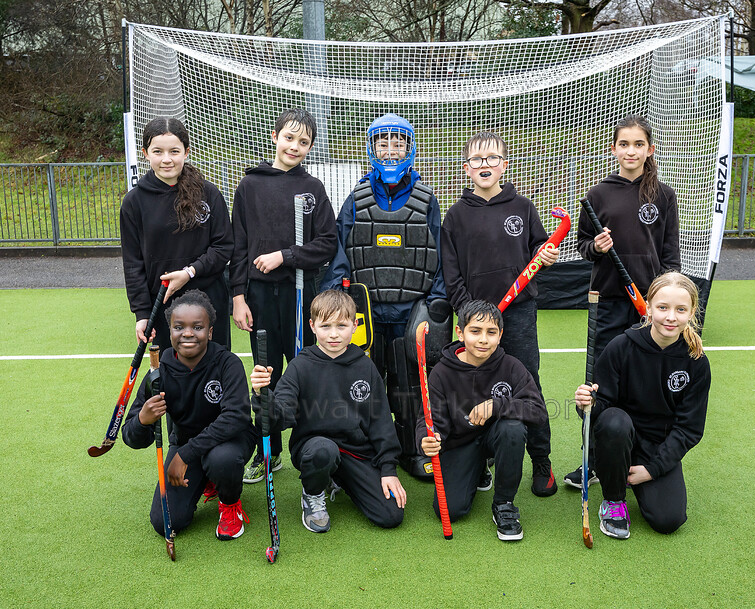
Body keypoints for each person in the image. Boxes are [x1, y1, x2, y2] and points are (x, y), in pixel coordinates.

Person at [321, 113, 450, 479]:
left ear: (410, 147)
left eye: (398, 143)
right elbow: (342, 249)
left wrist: (438, 299)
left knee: (410, 384)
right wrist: (336, 291)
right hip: (368, 310)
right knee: (367, 382)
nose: (390, 150)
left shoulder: (427, 199)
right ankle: (368, 453)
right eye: (383, 142)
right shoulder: (356, 198)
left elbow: (441, 251)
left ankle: (413, 451)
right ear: (371, 146)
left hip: (413, 308)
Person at [439, 131, 560, 497]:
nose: (485, 165)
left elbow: (539, 248)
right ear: (466, 168)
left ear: (504, 165)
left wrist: (546, 254)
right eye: (477, 160)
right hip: (474, 319)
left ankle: (541, 461)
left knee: (528, 384)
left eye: (492, 158)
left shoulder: (522, 207)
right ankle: (479, 457)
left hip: (518, 314)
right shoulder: (456, 216)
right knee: (469, 386)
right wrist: (467, 311)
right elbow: (451, 272)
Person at [565, 114, 681, 490]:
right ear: (613, 149)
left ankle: (640, 454)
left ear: (649, 150)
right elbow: (582, 245)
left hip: (650, 308)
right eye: (624, 144)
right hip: (608, 304)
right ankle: (593, 460)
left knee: (643, 382)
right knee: (600, 387)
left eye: (638, 144)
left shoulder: (663, 195)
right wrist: (595, 248)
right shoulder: (598, 195)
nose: (631, 151)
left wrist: (666, 299)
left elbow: (670, 256)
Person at [230, 108, 337, 484]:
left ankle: (313, 446)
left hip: (300, 296)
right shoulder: (250, 186)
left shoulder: (313, 188)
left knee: (308, 370)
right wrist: (238, 297)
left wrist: (285, 256)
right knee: (265, 374)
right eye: (289, 138)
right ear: (274, 136)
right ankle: (268, 452)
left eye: (304, 142)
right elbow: (238, 246)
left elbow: (327, 243)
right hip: (258, 298)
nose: (295, 146)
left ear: (310, 147)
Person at [250, 289, 406, 533]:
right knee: (324, 452)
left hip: (355, 451)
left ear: (355, 326)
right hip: (315, 448)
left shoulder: (365, 366)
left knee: (390, 515)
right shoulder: (300, 366)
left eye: (342, 326)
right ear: (312, 326)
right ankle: (312, 492)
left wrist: (388, 469)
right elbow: (278, 418)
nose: (334, 334)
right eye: (325, 326)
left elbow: (381, 422)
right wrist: (262, 395)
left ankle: (339, 478)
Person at [574, 272, 710, 539]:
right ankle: (614, 499)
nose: (671, 317)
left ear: (692, 312)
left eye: (680, 309)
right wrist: (586, 403)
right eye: (662, 307)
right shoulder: (620, 347)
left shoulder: (696, 362)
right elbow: (599, 414)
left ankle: (633, 476)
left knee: (668, 520)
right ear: (648, 307)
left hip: (657, 447)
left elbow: (689, 429)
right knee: (615, 422)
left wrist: (653, 470)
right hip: (618, 436)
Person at [122, 290, 257, 541]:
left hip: (230, 441)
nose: (187, 333)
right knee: (166, 523)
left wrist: (185, 454)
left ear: (210, 332)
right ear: (170, 331)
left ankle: (230, 504)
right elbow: (132, 437)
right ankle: (205, 478)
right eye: (178, 327)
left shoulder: (228, 363)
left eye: (197, 327)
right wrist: (143, 419)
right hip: (187, 445)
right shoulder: (158, 373)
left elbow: (236, 417)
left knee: (221, 459)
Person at [417, 301, 548, 541]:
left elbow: (538, 411)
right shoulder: (441, 373)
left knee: (513, 428)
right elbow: (428, 419)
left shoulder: (511, 366)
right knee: (450, 511)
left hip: (495, 437)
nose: (483, 340)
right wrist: (427, 439)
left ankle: (504, 505)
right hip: (459, 444)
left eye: (491, 332)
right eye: (475, 331)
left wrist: (498, 406)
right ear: (460, 333)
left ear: (501, 335)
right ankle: (478, 469)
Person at [120, 117, 234, 353]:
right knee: (171, 382)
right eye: (158, 151)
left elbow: (224, 246)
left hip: (209, 301)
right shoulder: (134, 203)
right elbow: (133, 264)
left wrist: (189, 273)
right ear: (145, 153)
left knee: (213, 377)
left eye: (174, 151)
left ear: (186, 151)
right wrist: (142, 313)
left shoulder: (209, 193)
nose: (166, 159)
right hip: (161, 305)